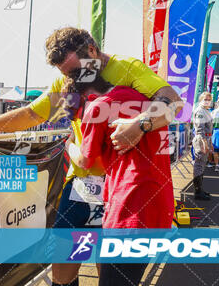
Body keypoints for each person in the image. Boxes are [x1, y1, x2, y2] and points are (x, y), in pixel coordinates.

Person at [0, 27, 182, 286]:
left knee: (107, 270)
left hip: (118, 189)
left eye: (75, 71)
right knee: (64, 264)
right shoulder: (66, 81)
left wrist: (139, 125)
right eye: (65, 73)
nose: (72, 78)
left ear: (92, 50)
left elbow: (173, 103)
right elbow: (33, 114)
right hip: (80, 185)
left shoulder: (127, 68)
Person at [71, 70, 173, 286]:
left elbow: (84, 161)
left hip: (129, 211)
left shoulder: (97, 106)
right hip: (159, 208)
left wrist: (69, 145)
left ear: (83, 97)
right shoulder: (148, 100)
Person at [191, 92, 213, 200]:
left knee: (202, 164)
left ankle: (200, 189)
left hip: (206, 138)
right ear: (201, 100)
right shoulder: (200, 111)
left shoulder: (206, 111)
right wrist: (205, 142)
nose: (207, 101)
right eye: (205, 99)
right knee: (199, 164)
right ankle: (198, 192)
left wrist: (210, 142)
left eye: (209, 99)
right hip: (201, 139)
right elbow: (200, 129)